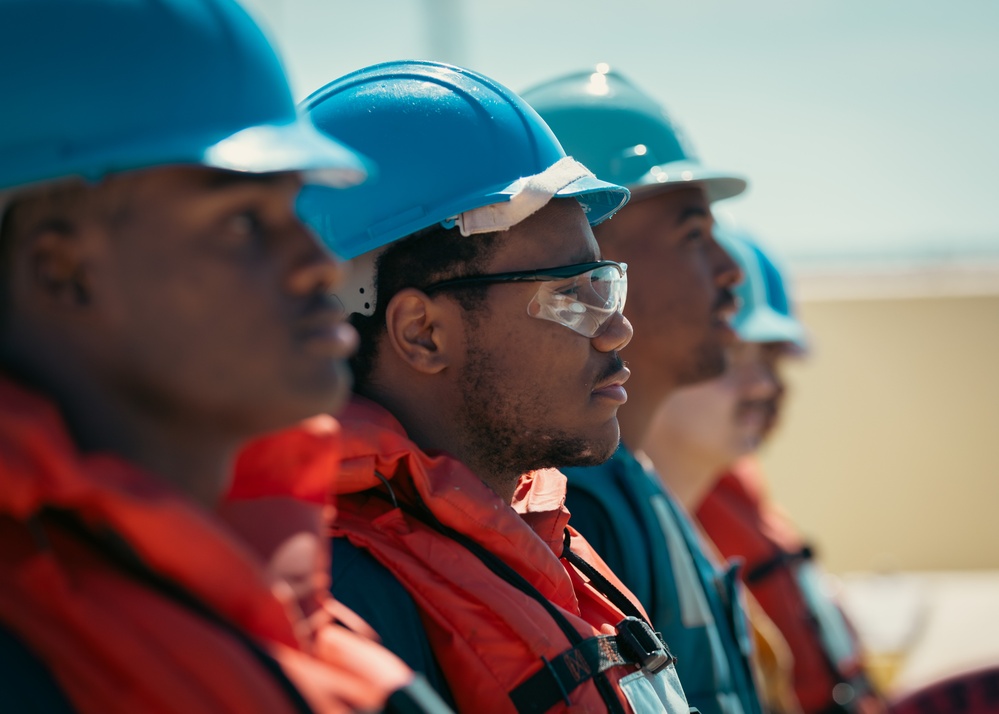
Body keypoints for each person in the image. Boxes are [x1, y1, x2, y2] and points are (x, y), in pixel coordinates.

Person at [0, 1, 445, 712]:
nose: (319, 267)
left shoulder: (289, 604)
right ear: (61, 270)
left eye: (293, 212)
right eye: (243, 222)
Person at [297, 60, 692, 714]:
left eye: (605, 282)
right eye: (572, 294)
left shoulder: (542, 538)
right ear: (422, 333)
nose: (618, 330)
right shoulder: (345, 601)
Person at [522, 67, 763, 714]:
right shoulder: (574, 507)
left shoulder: (628, 484)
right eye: (693, 234)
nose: (732, 270)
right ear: (588, 250)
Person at [647, 227, 883, 714]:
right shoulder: (608, 533)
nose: (766, 385)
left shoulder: (724, 494)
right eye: (731, 353)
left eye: (774, 358)